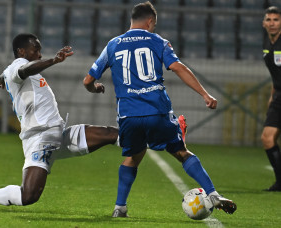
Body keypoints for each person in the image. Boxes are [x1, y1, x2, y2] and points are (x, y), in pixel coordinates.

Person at [83, 1, 237, 217]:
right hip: (157, 112)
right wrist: (205, 94)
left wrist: (95, 87)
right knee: (181, 152)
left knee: (133, 156)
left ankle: (120, 207)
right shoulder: (158, 41)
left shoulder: (113, 44)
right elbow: (178, 68)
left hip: (128, 115)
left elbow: (88, 79)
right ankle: (212, 193)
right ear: (150, 21)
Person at [0, 33, 119, 207]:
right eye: (36, 50)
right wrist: (54, 61)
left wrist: (0, 78)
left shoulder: (15, 72)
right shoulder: (19, 65)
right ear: (21, 52)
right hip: (40, 137)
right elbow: (22, 70)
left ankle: (149, 142)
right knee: (28, 196)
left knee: (110, 133)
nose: (39, 55)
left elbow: (10, 75)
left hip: (56, 134)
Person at [261, 6, 281, 192]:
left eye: (276, 19)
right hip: (278, 97)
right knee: (267, 138)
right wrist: (272, 95)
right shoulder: (267, 43)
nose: (272, 23)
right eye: (269, 20)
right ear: (264, 23)